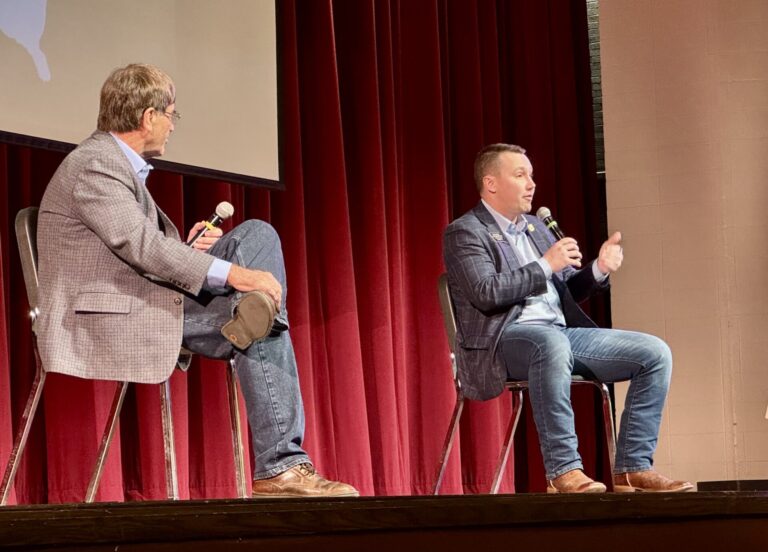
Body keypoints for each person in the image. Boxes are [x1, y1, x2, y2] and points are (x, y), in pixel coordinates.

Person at [36, 63, 357, 498]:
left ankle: (257, 316)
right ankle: (280, 467)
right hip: (111, 315)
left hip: (143, 297)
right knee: (256, 320)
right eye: (171, 115)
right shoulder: (96, 165)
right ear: (148, 117)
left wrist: (188, 253)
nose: (172, 126)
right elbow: (143, 247)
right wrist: (235, 275)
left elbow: (142, 250)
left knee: (257, 235)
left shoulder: (112, 163)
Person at [442, 143, 693, 493]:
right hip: (503, 339)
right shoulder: (466, 231)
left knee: (654, 353)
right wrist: (546, 264)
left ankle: (633, 467)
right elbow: (486, 292)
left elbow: (566, 290)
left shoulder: (534, 227)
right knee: (550, 344)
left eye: (531, 175)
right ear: (491, 183)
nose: (531, 184)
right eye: (520, 175)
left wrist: (598, 269)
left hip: (557, 334)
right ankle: (563, 471)